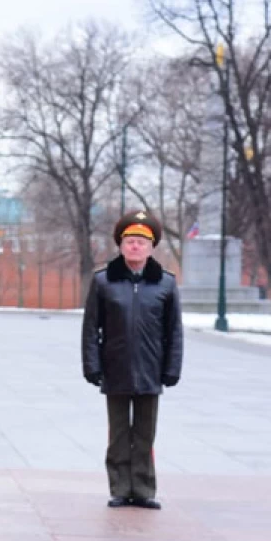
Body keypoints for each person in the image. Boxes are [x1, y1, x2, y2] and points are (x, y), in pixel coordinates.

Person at [81, 210, 183, 511]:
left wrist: (172, 368)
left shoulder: (165, 284)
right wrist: (92, 365)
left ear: (151, 248)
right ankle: (119, 488)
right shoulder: (103, 282)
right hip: (115, 368)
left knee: (144, 433)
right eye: (130, 241)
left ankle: (143, 489)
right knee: (119, 435)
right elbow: (90, 328)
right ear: (121, 246)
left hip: (151, 369)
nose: (135, 247)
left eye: (141, 242)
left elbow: (174, 331)